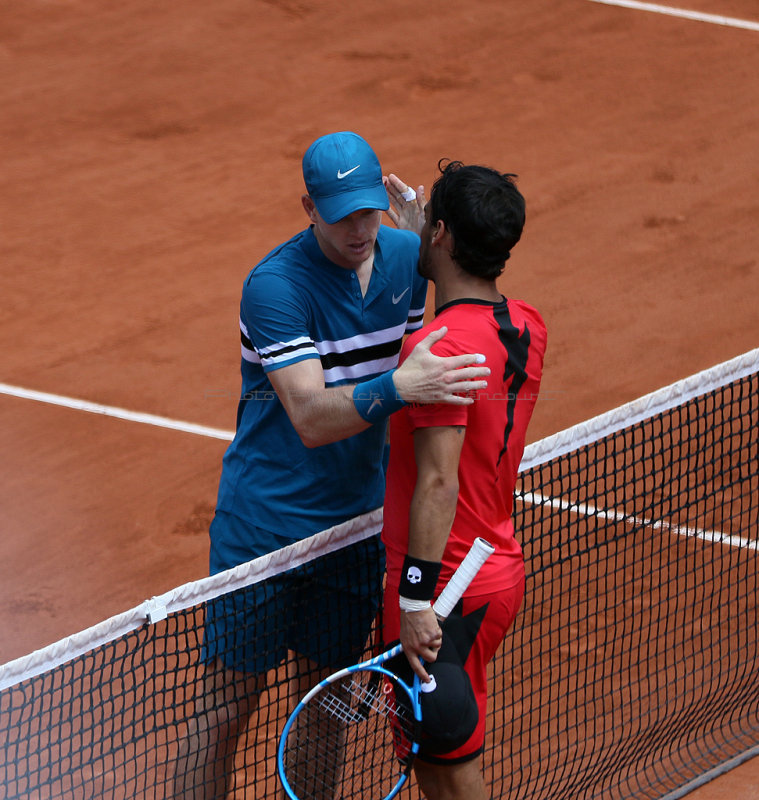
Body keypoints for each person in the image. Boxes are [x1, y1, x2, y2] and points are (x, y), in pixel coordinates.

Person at [170, 133, 490, 799]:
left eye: (367, 211)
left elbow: (467, 277)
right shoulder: (275, 288)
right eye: (340, 213)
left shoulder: (402, 253)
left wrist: (422, 239)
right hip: (264, 528)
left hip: (355, 528)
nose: (357, 229)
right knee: (225, 707)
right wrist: (401, 388)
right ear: (307, 208)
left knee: (329, 706)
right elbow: (312, 417)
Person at [381, 161, 547, 800]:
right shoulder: (527, 325)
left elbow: (438, 484)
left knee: (450, 776)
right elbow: (458, 329)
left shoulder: (438, 348)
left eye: (431, 226)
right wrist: (436, 246)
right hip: (495, 569)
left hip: (441, 587)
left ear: (442, 232)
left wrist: (416, 601)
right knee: (437, 767)